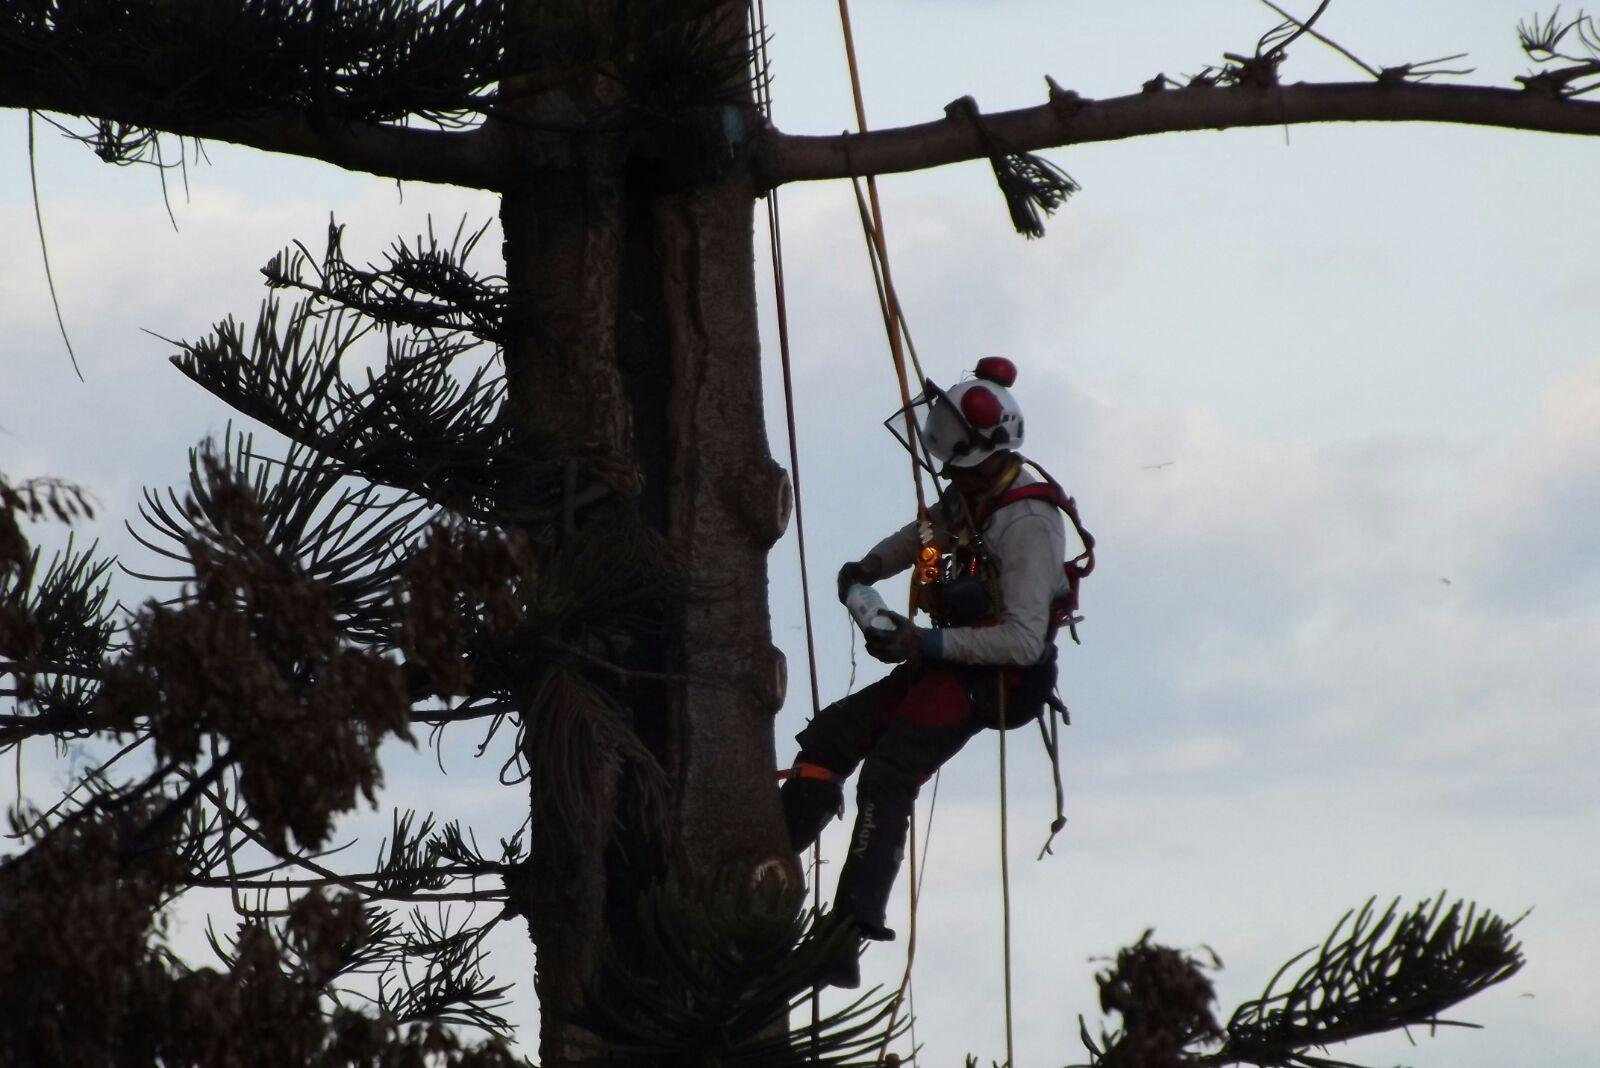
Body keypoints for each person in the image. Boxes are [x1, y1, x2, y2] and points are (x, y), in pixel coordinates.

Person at [780, 356, 1089, 988]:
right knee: (833, 737)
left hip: (992, 676)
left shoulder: (1029, 523)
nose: (953, 482)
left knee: (890, 773)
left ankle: (843, 937)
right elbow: (930, 530)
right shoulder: (977, 493)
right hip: (949, 654)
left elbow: (1026, 641)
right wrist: (867, 569)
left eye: (959, 470)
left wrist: (926, 642)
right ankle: (771, 842)